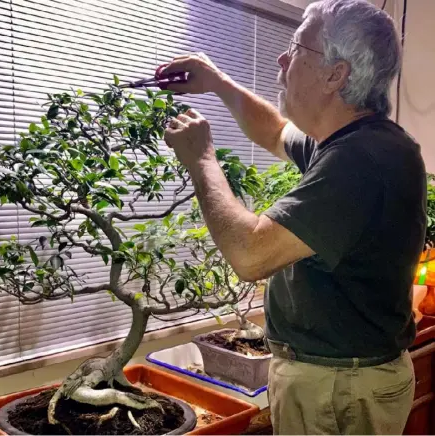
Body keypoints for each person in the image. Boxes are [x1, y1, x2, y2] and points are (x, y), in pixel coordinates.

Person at [160, 0, 427, 434]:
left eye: (297, 48)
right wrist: (218, 82)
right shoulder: (346, 142)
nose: (282, 59)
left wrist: (202, 159)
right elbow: (273, 131)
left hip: (338, 387)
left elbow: (250, 254)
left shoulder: (362, 160)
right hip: (336, 377)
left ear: (335, 75)